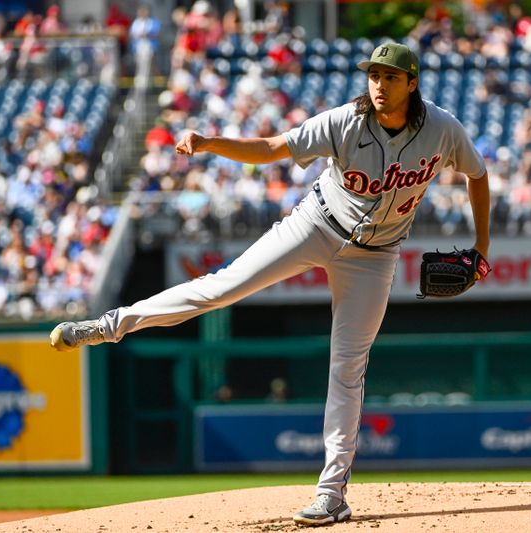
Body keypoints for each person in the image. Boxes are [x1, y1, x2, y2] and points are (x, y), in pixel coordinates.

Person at [50, 42, 490, 527]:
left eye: (389, 77)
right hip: (316, 224)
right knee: (221, 288)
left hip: (375, 256)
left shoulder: (444, 129)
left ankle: (332, 495)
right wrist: (212, 143)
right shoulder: (343, 121)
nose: (379, 85)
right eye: (373, 76)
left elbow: (478, 173)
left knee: (348, 366)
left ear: (411, 82)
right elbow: (270, 149)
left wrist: (482, 249)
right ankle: (108, 325)